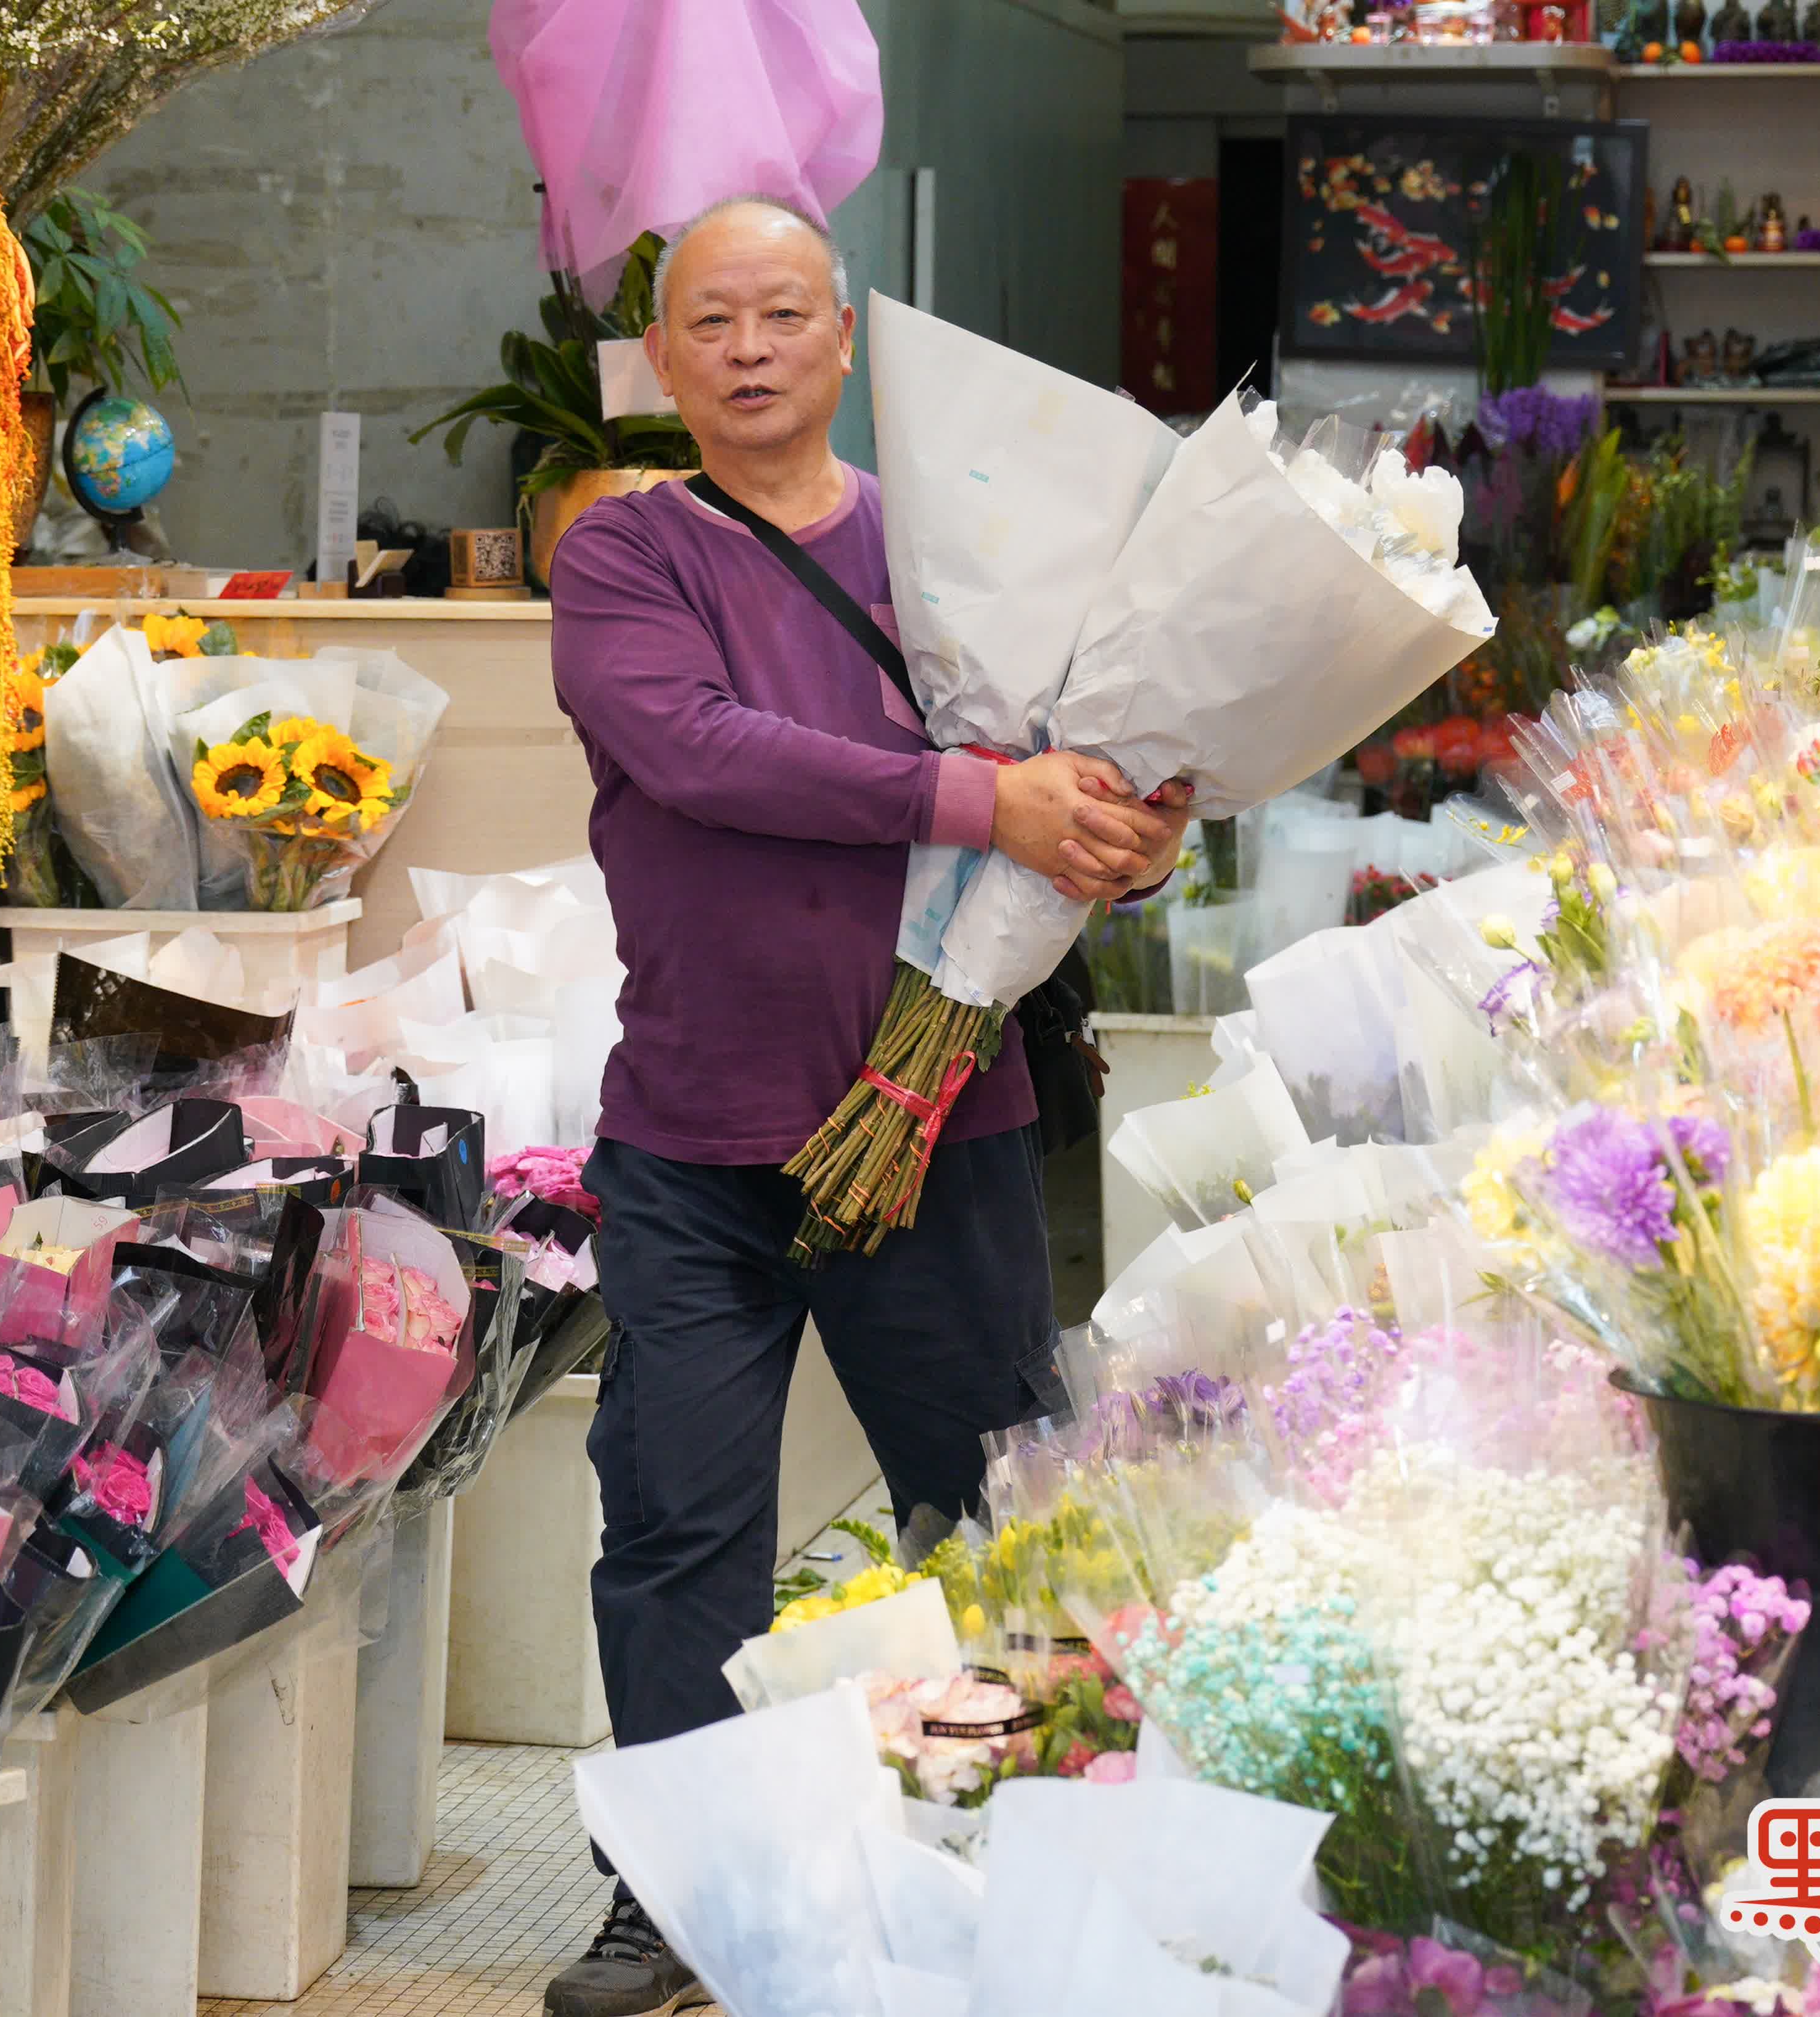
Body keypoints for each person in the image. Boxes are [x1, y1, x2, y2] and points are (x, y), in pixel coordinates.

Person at [539, 196, 1191, 2017]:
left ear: (846, 338)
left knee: (990, 1514)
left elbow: (1091, 766)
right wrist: (987, 801)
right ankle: (678, 1899)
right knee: (678, 1525)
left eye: (782, 316)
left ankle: (1017, 1858)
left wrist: (1121, 834)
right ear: (660, 360)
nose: (748, 351)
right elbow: (698, 751)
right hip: (695, 1135)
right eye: (710, 323)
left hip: (940, 1124)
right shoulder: (626, 552)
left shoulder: (957, 555)